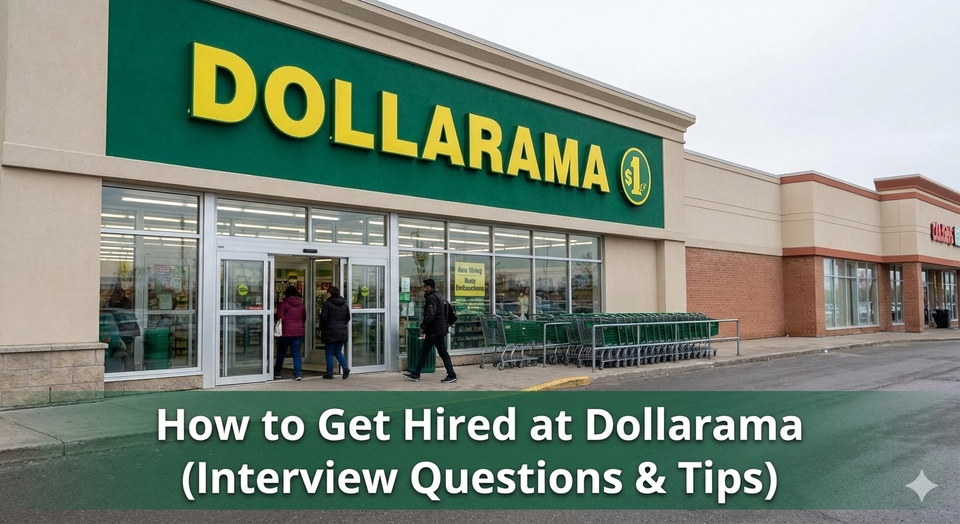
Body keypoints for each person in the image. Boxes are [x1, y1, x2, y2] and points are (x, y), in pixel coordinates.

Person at [404, 278, 457, 384]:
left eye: (424, 287)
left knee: (442, 352)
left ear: (429, 287)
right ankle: (416, 373)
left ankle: (452, 374)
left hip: (435, 330)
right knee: (424, 351)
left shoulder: (432, 297)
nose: (423, 289)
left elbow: (430, 314)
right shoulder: (437, 296)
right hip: (435, 330)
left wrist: (424, 325)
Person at [274, 285, 306, 381]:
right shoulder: (301, 305)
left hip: (285, 332)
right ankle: (297, 374)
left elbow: (279, 316)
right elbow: (304, 318)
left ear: (286, 293)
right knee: (296, 352)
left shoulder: (283, 304)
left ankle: (277, 373)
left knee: (281, 352)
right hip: (298, 332)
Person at [319, 285, 351, 380]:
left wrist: (323, 328)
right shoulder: (344, 304)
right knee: (338, 351)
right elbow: (348, 318)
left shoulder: (327, 304)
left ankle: (329, 373)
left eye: (327, 293)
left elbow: (323, 318)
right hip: (341, 331)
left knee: (329, 353)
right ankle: (345, 368)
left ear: (330, 293)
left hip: (330, 332)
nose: (326, 295)